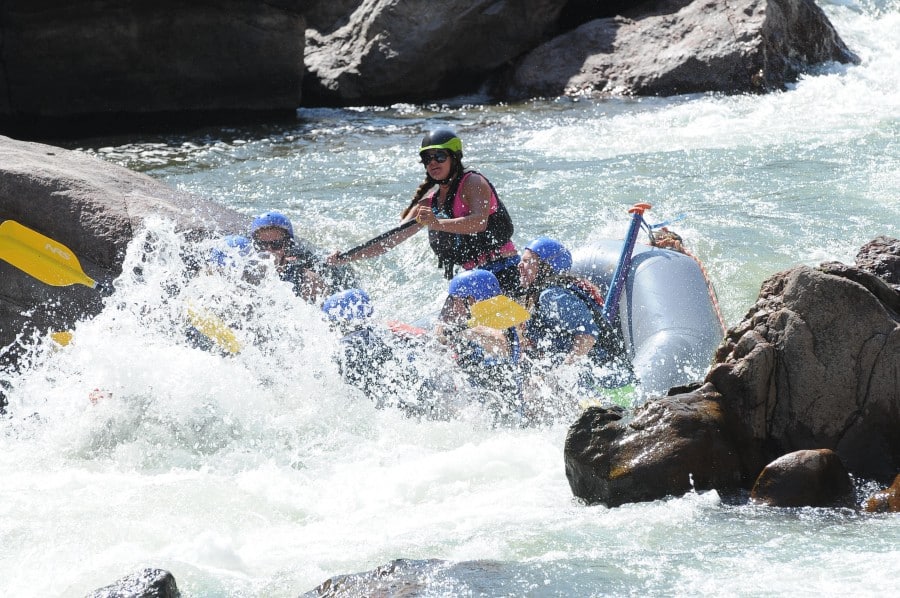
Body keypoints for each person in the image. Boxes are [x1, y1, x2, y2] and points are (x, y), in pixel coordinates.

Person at [326, 128, 521, 295]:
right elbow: (391, 240)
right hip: (470, 278)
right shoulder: (429, 203)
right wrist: (345, 258)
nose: (433, 163)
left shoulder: (473, 182)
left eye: (439, 156)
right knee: (444, 331)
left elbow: (479, 222)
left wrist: (437, 223)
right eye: (427, 159)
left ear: (454, 157)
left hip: (504, 269)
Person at [518, 237, 633, 393]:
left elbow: (588, 335)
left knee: (535, 390)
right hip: (604, 378)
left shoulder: (552, 295)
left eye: (526, 261)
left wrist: (562, 372)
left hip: (608, 384)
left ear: (546, 267)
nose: (520, 265)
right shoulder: (549, 293)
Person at [437, 269, 524, 422]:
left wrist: (460, 330)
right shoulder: (478, 321)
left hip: (503, 409)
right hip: (484, 404)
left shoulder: (498, 321)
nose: (452, 307)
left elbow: (503, 345)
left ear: (471, 300)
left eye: (455, 301)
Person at [250, 211, 355, 303]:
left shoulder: (308, 279)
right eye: (261, 245)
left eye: (276, 244)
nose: (269, 251)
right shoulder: (249, 273)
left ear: (287, 245)